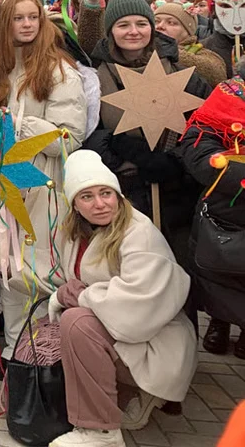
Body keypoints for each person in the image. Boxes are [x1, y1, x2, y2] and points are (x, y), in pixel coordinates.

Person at [43, 150, 196, 447]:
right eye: (86, 196)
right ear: (74, 204)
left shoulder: (139, 233)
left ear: (117, 194)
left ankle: (101, 431)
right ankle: (132, 396)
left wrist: (76, 295)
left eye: (106, 193)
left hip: (155, 342)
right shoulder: (78, 231)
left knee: (76, 322)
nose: (99, 203)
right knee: (58, 323)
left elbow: (138, 310)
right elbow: (56, 278)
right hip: (126, 338)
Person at [0, 0, 88, 358]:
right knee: (5, 271)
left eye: (33, 17)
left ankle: (39, 358)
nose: (27, 24)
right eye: (19, 18)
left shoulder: (60, 71)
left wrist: (19, 125)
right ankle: (15, 359)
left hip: (42, 187)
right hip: (1, 183)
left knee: (35, 271)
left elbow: (69, 139)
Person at [80, 0, 209, 264]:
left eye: (142, 23)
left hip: (176, 193)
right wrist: (123, 149)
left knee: (179, 268)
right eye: (123, 25)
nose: (134, 32)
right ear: (111, 31)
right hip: (124, 191)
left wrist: (176, 162)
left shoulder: (181, 71)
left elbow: (205, 124)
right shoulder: (94, 78)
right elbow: (86, 131)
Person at [177, 77, 245, 357]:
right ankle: (220, 320)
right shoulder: (232, 93)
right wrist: (226, 167)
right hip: (227, 204)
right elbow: (198, 141)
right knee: (220, 267)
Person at [152, 2, 226, 88]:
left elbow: (216, 74)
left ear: (188, 31)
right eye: (156, 21)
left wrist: (170, 52)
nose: (160, 26)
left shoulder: (202, 53)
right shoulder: (142, 50)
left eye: (171, 22)